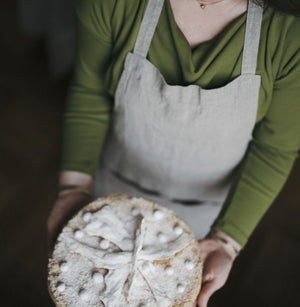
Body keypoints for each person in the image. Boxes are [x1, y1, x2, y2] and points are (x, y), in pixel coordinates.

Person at [47, 0, 300, 306]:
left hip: (210, 211)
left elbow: (274, 148)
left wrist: (226, 241)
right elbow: (91, 92)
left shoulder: (289, 35)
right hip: (112, 188)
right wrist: (72, 188)